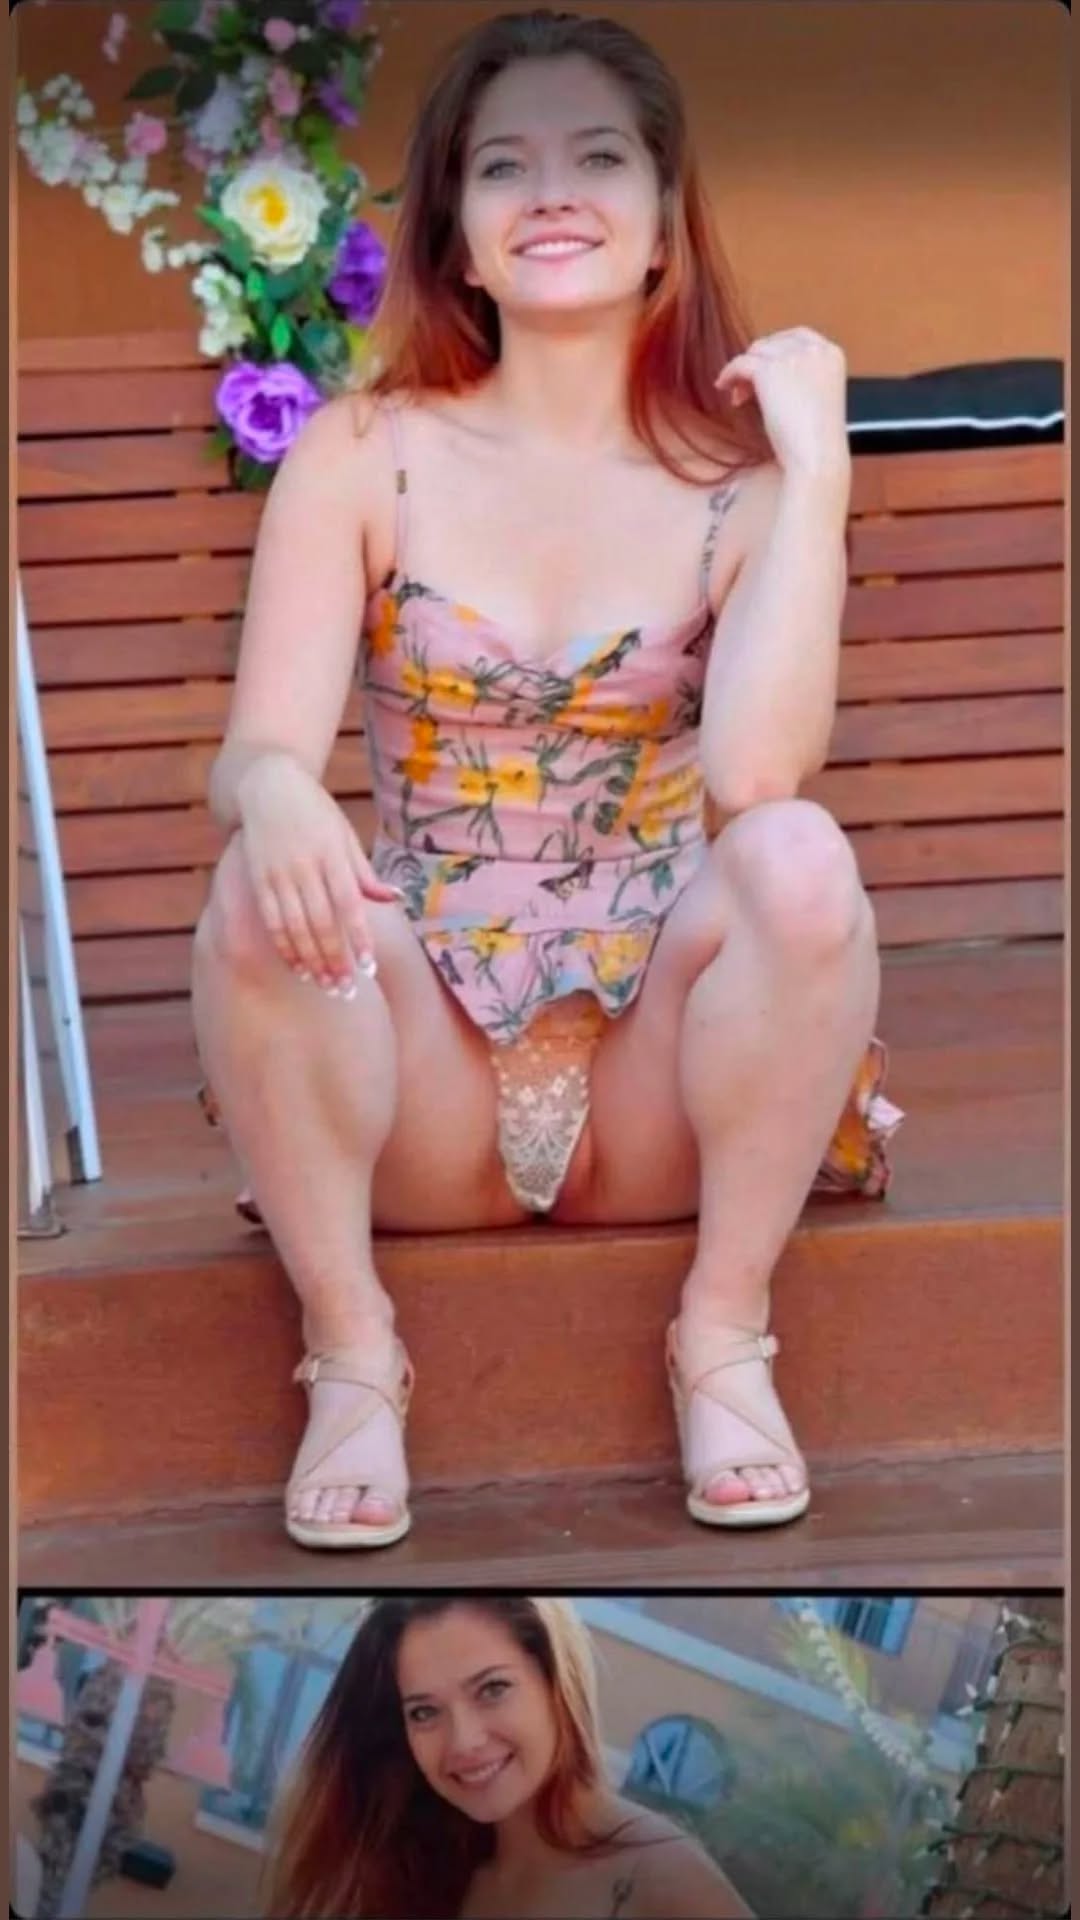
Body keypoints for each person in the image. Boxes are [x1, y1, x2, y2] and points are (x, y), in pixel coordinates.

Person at [192, 8, 901, 1551]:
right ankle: (352, 1359)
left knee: (800, 856)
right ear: (456, 233)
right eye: (505, 166)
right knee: (258, 877)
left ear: (663, 219)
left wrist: (819, 476)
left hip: (658, 1090)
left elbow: (758, 771)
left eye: (600, 158)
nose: (555, 193)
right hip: (419, 1095)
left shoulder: (741, 486)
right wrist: (279, 791)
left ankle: (723, 1335)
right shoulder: (360, 452)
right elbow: (259, 746)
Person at [263, 1595, 751, 1918]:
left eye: (492, 1689)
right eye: (424, 1712)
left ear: (554, 1682)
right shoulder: (431, 1867)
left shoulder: (664, 1879)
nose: (464, 1742)